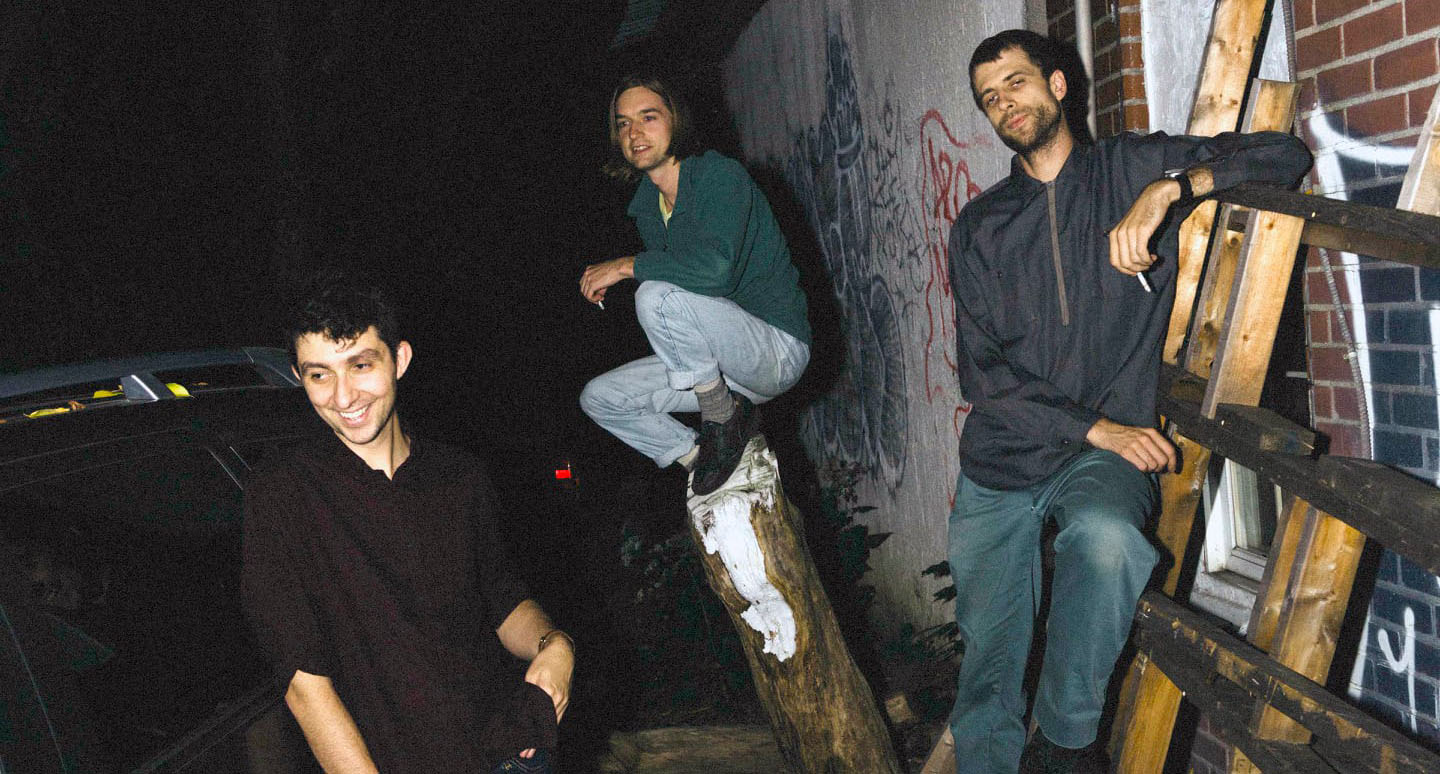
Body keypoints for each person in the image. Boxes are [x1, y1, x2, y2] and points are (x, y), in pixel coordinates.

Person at [946, 30, 1311, 774]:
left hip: (1099, 458)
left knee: (1108, 539)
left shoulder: (1131, 167)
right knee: (988, 657)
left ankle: (1066, 743)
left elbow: (1284, 153)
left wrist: (1172, 189)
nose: (1004, 103)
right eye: (989, 98)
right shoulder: (980, 228)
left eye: (1015, 82)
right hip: (1005, 456)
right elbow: (983, 377)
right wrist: (1097, 429)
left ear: (1057, 85)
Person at [241, 276, 575, 774]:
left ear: (399, 359)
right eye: (319, 375)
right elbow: (303, 684)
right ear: (298, 376)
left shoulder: (459, 475)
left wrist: (555, 645)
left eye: (360, 365)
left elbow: (503, 601)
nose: (343, 396)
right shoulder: (281, 495)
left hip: (511, 753)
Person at [579, 75, 811, 496]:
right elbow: (690, 294)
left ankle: (721, 418)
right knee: (600, 397)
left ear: (676, 120)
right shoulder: (648, 208)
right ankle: (699, 456)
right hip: (726, 369)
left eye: (648, 117)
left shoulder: (718, 176)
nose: (634, 133)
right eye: (623, 123)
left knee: (655, 295)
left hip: (776, 350)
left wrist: (626, 266)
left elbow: (714, 272)